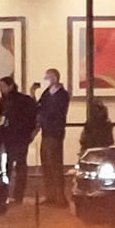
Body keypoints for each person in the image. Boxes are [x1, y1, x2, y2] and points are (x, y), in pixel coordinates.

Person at [0, 75, 37, 199]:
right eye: (0, 87)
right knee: (7, 165)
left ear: (10, 86)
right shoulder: (3, 101)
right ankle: (6, 193)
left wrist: (29, 131)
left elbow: (31, 116)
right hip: (8, 136)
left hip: (19, 136)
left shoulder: (22, 100)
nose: (1, 89)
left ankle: (18, 194)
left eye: (3, 86)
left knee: (19, 166)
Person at [35, 69, 71, 202]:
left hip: (55, 132)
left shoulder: (62, 95)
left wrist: (44, 117)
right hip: (46, 132)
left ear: (55, 77)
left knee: (55, 162)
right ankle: (50, 195)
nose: (46, 79)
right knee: (46, 163)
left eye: (48, 77)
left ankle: (59, 196)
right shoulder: (46, 93)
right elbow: (39, 107)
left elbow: (57, 112)